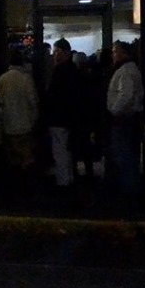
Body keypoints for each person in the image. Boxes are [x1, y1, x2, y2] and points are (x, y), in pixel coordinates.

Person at [0, 49, 41, 200]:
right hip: (25, 125)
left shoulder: (3, 79)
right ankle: (28, 189)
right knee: (27, 158)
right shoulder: (26, 79)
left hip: (9, 126)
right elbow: (33, 101)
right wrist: (34, 119)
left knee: (13, 159)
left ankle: (14, 190)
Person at [104, 39, 145, 203]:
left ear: (123, 53)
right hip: (128, 119)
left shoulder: (125, 71)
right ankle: (129, 189)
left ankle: (128, 192)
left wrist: (113, 110)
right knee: (127, 155)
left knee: (124, 155)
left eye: (115, 51)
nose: (113, 55)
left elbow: (126, 95)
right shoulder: (130, 69)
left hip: (123, 120)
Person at [45, 38, 86, 192]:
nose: (55, 55)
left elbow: (55, 97)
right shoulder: (73, 71)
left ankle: (63, 185)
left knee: (61, 154)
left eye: (58, 52)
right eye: (54, 52)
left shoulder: (60, 72)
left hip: (59, 119)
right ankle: (68, 181)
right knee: (66, 154)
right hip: (68, 120)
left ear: (67, 53)